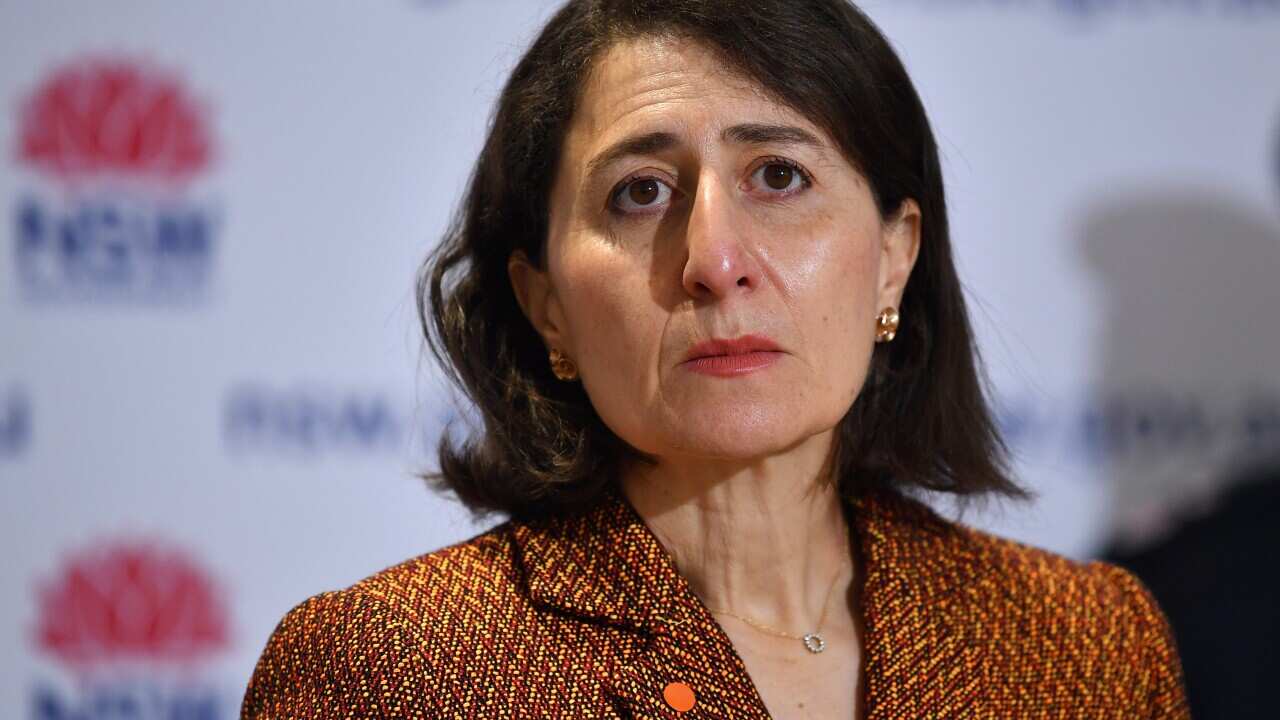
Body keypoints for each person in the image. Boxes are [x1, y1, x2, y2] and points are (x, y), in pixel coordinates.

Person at [240, 0, 1190, 717]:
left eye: (779, 176)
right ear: (546, 306)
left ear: (895, 258)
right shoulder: (390, 672)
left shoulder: (1088, 645)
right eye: (640, 192)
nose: (714, 260)